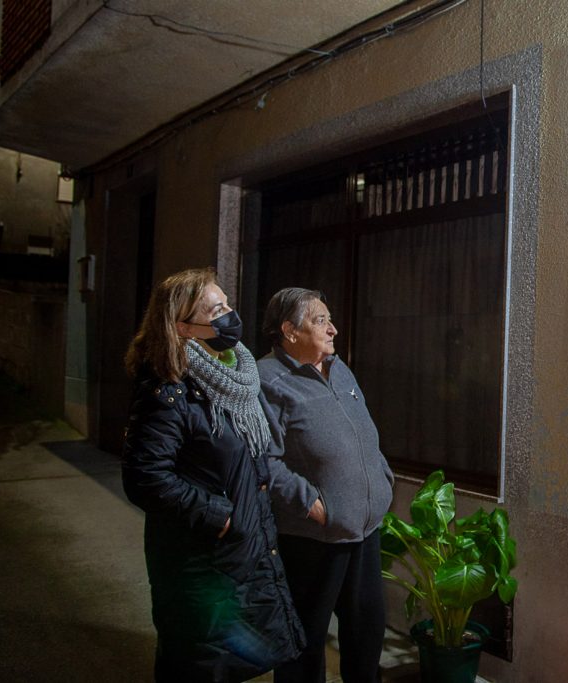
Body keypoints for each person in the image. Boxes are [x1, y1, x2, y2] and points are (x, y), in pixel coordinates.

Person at [122, 268, 304, 682]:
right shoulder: (168, 389)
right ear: (183, 326)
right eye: (216, 309)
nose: (229, 316)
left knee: (230, 657)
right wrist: (218, 515)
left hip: (239, 552)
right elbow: (145, 476)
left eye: (227, 304)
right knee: (199, 658)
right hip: (201, 559)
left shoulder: (235, 374)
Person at [257, 287, 394, 683]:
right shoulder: (268, 380)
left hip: (364, 532)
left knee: (366, 634)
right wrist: (313, 505)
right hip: (313, 537)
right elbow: (264, 459)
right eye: (320, 321)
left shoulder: (339, 368)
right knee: (304, 642)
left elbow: (364, 433)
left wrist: (381, 477)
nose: (333, 329)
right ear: (290, 330)